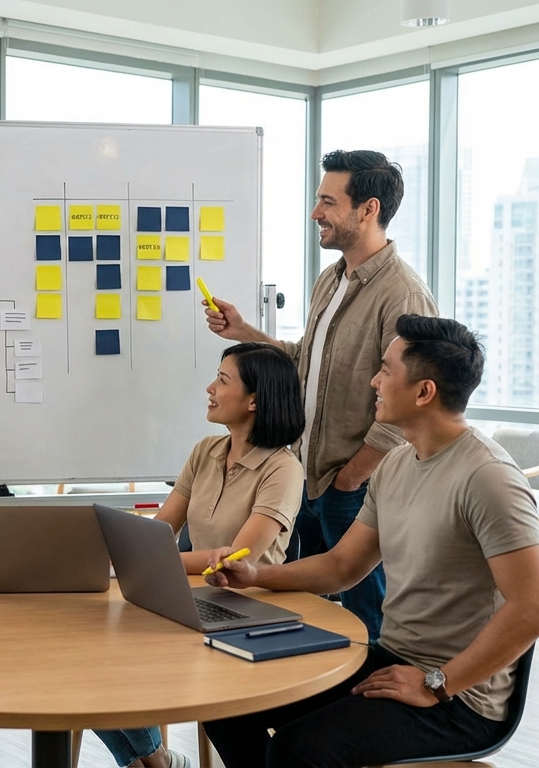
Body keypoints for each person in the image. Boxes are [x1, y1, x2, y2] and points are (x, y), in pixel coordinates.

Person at [201, 315, 539, 768]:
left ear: (424, 392)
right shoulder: (396, 464)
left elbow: (536, 609)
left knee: (299, 749)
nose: (374, 380)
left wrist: (438, 683)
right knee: (228, 705)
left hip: (459, 700)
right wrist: (256, 575)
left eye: (386, 370)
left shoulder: (489, 478)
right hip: (390, 661)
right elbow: (342, 566)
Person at [204, 149, 437, 641]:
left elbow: (410, 396)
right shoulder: (330, 280)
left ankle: (365, 709)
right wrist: (247, 331)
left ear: (368, 209)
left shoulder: (402, 293)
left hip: (352, 484)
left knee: (363, 616)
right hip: (308, 474)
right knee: (307, 612)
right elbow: (306, 359)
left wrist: (353, 476)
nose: (316, 214)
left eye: (328, 202)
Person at [92, 341, 305, 768]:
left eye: (222, 380)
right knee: (87, 656)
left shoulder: (283, 470)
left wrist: (140, 559)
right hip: (190, 598)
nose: (210, 388)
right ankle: (151, 762)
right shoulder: (206, 451)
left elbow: (234, 559)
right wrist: (125, 543)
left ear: (254, 401)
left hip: (247, 612)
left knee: (115, 661)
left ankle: (153, 763)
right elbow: (162, 530)